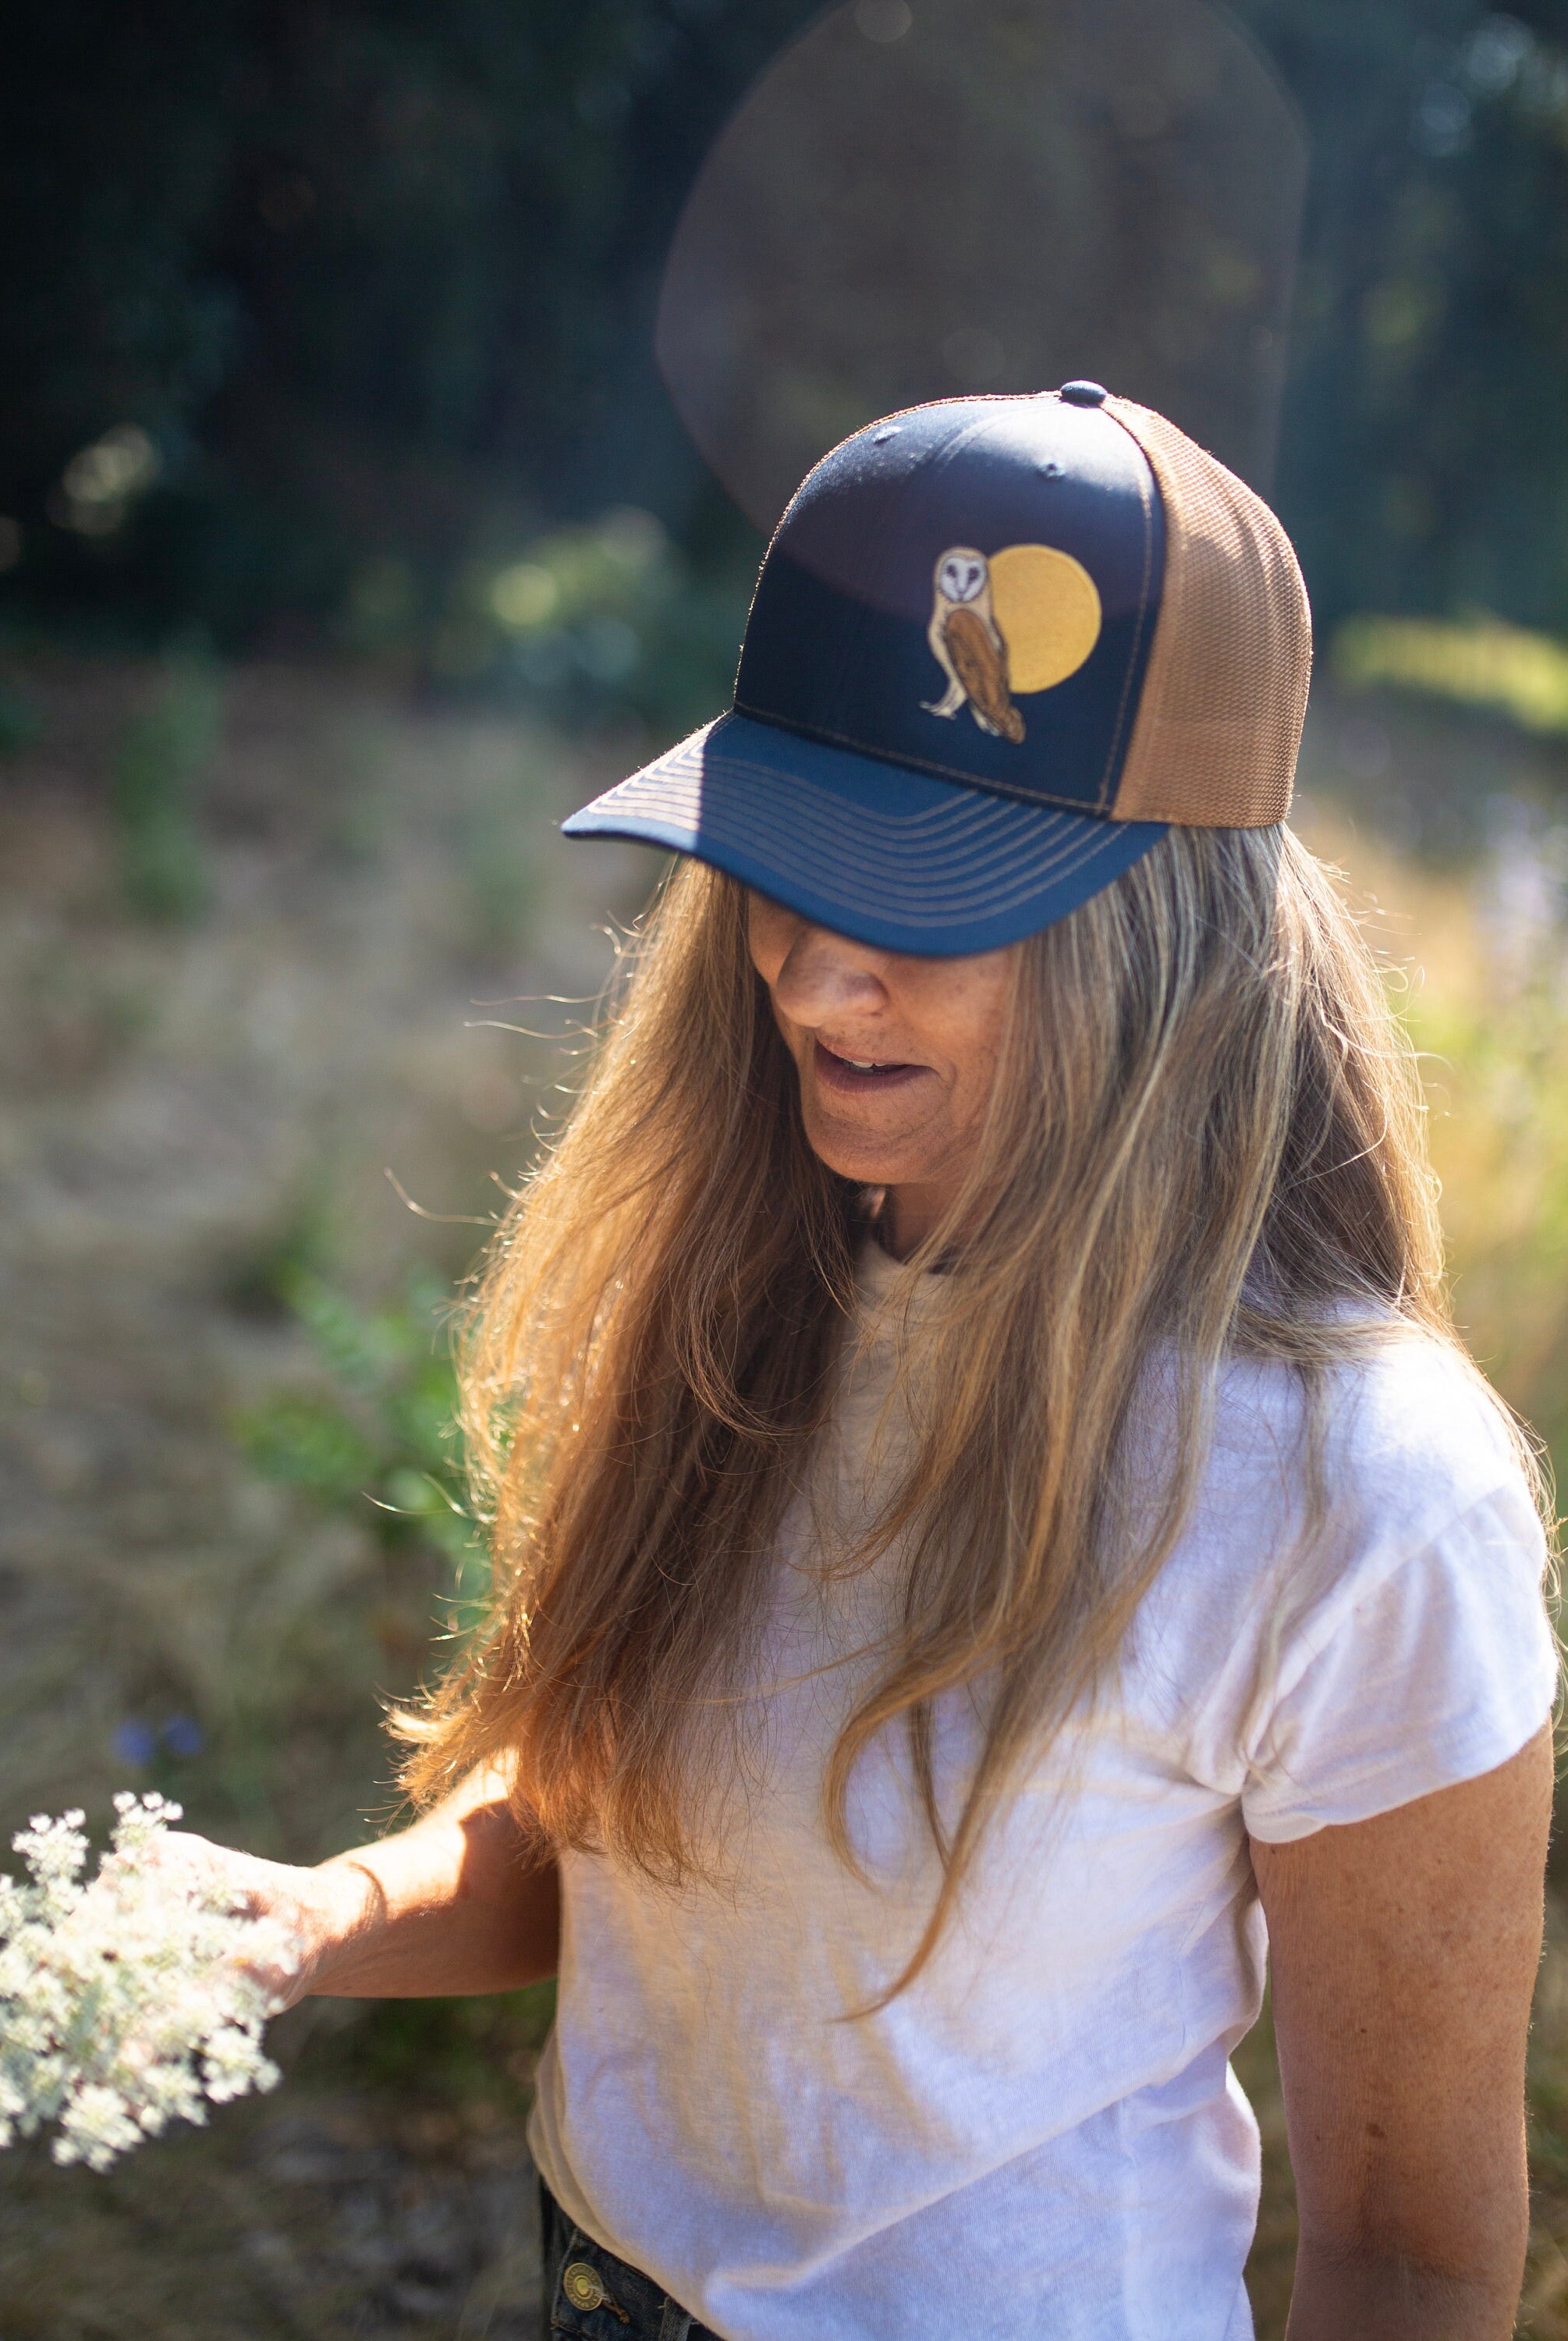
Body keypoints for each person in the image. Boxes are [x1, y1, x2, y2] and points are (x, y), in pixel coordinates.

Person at [170, 384, 1557, 2340]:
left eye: (926, 897)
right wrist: (323, 1921)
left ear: (1164, 920)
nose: (816, 976)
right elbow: (630, 1842)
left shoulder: (1362, 1492)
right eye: (788, 864)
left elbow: (1412, 2253)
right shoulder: (761, 1276)